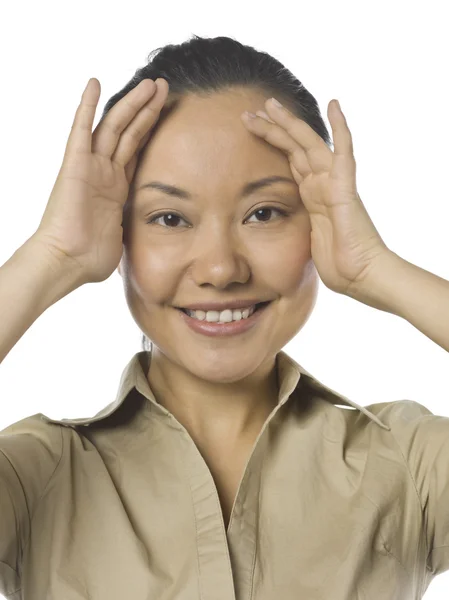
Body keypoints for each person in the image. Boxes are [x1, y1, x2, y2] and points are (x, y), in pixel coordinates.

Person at [0, 34, 448, 600]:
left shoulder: (407, 464)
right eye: (169, 218)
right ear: (113, 235)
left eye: (264, 212)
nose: (219, 268)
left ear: (320, 223)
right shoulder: (36, 475)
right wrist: (50, 258)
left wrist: (377, 269)